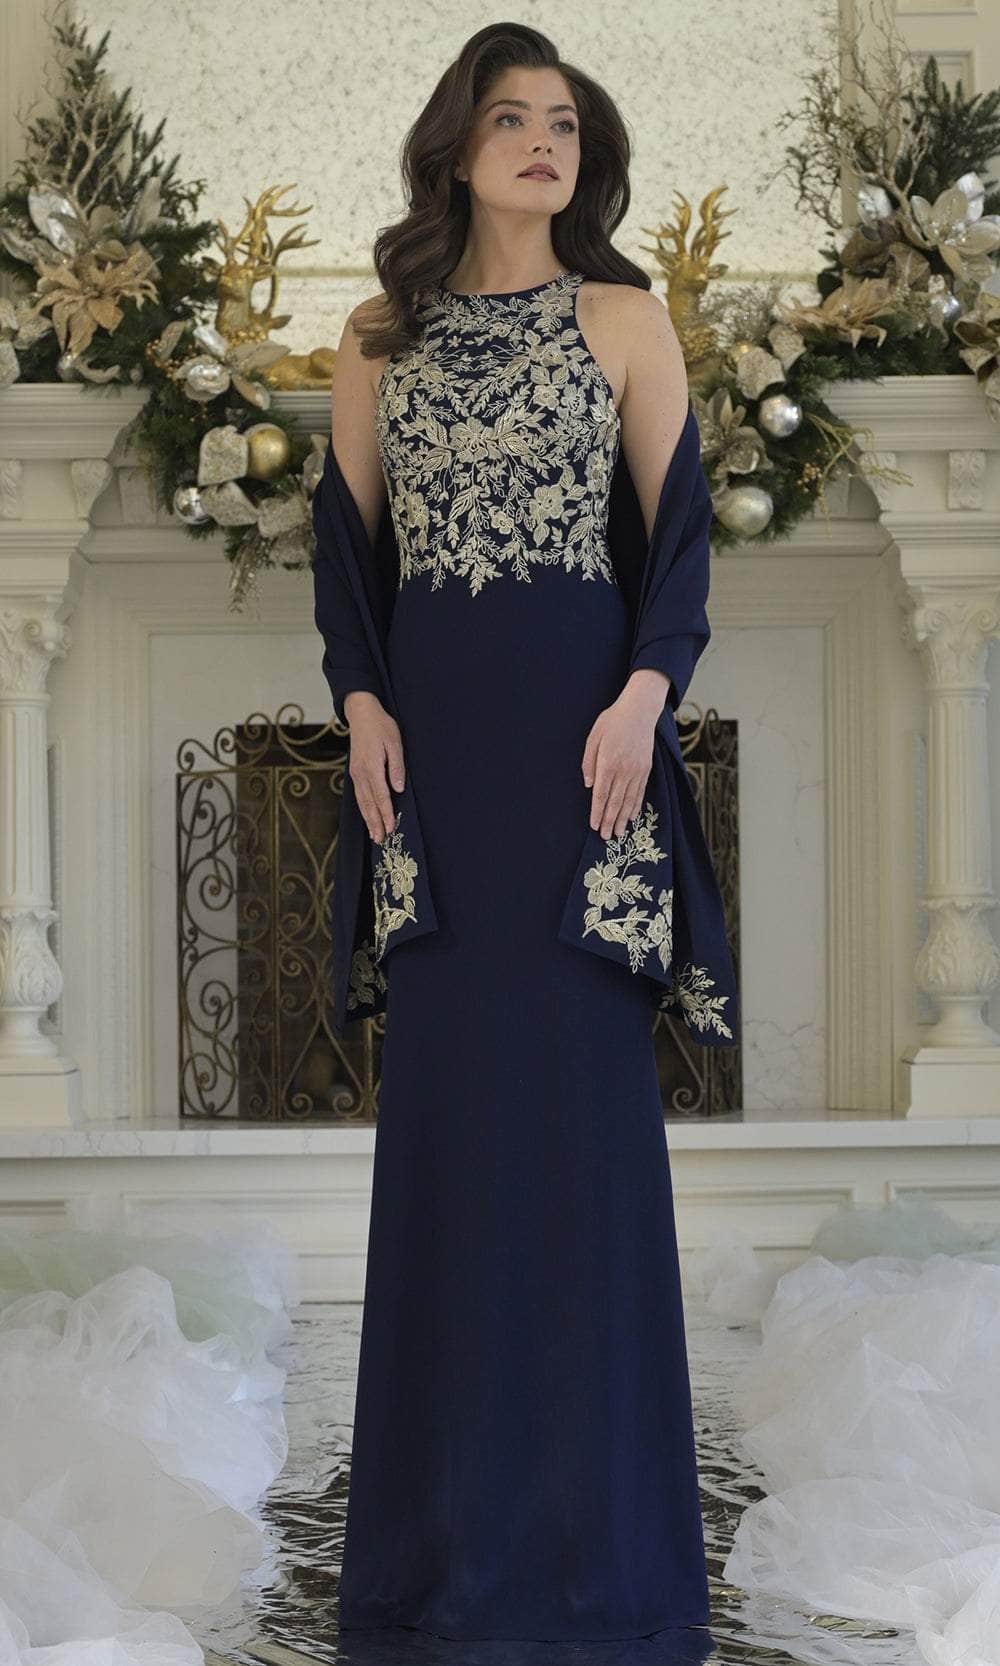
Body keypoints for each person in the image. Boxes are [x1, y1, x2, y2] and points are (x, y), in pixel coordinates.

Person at [312, 20, 736, 1644]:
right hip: (436, 778)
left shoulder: (628, 317)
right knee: (449, 1155)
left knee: (583, 1159)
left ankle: (604, 1567)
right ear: (458, 146)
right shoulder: (378, 338)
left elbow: (680, 546)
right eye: (511, 118)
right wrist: (361, 705)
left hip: (584, 776)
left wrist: (643, 698)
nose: (543, 142)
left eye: (563, 121)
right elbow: (346, 558)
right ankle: (436, 1567)